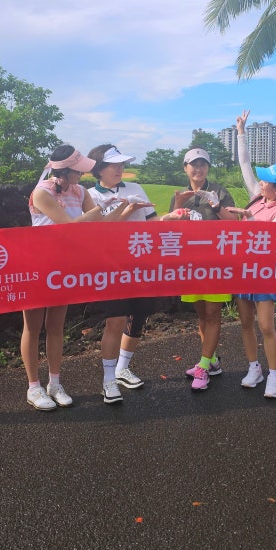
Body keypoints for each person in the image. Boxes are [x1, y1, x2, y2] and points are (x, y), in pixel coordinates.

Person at [23, 144, 145, 410]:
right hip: (37, 266)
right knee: (33, 327)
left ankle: (54, 383)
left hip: (63, 267)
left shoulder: (77, 191)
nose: (82, 176)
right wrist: (101, 208)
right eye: (78, 171)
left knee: (56, 326)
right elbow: (69, 227)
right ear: (64, 171)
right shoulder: (42, 192)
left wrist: (123, 207)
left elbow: (100, 226)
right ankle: (34, 387)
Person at [86, 144, 185, 403]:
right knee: (115, 320)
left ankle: (122, 368)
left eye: (121, 164)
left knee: (139, 316)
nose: (120, 169)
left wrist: (169, 218)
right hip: (113, 267)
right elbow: (97, 233)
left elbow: (150, 223)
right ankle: (108, 380)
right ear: (99, 169)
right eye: (113, 165)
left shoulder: (135, 188)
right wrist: (125, 210)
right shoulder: (91, 197)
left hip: (142, 264)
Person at [223, 111, 276, 399]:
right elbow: (244, 163)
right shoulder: (256, 196)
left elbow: (268, 242)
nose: (261, 182)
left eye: (266, 181)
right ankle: (254, 367)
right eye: (262, 180)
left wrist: (248, 218)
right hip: (243, 269)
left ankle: (274, 375)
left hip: (264, 272)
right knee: (244, 322)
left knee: (266, 325)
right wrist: (241, 132)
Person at [169, 147, 236, 391]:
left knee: (213, 314)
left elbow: (234, 223)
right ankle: (213, 361)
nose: (198, 169)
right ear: (185, 168)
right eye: (193, 164)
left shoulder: (219, 191)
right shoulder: (181, 194)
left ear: (208, 167)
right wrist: (177, 205)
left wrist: (216, 205)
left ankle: (203, 366)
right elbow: (169, 229)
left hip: (216, 262)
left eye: (203, 164)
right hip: (191, 263)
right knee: (201, 315)